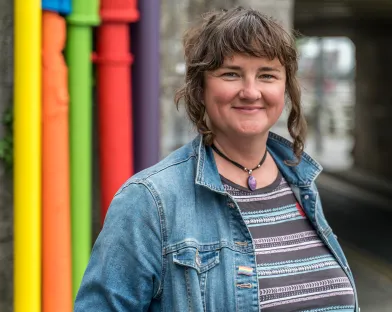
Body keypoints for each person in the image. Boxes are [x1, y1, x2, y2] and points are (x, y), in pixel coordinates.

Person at [74, 7, 358, 312]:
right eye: (231, 74)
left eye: (267, 75)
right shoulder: (149, 202)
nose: (251, 91)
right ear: (201, 87)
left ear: (285, 87)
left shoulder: (301, 185)